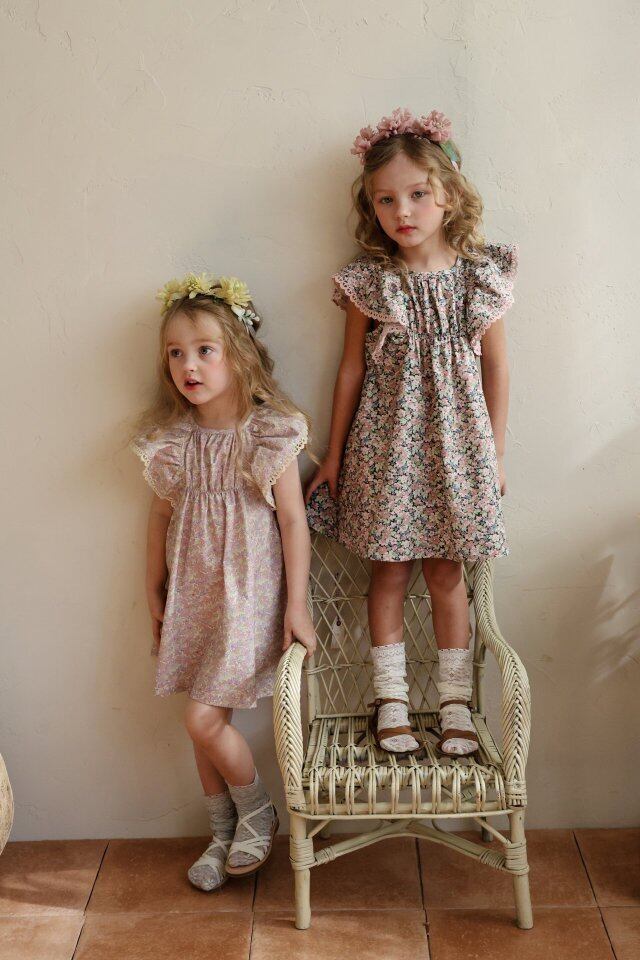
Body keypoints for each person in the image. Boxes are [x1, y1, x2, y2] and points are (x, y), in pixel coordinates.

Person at [305, 108, 518, 759]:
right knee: (390, 573)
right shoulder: (371, 283)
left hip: (457, 452)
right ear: (371, 206)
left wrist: (494, 454)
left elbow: (497, 367)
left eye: (418, 194)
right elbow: (349, 371)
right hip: (385, 452)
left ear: (447, 193)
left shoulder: (479, 278)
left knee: (447, 574)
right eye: (386, 199)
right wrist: (334, 454)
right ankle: (391, 702)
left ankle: (454, 705)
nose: (403, 211)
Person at [131, 272, 316, 892]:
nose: (189, 366)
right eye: (176, 353)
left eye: (205, 350)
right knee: (201, 720)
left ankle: (258, 815)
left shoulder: (268, 432)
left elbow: (293, 521)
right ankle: (222, 831)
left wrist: (298, 605)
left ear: (238, 353)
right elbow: (159, 519)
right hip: (193, 597)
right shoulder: (173, 441)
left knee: (201, 720)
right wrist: (152, 590)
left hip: (248, 598)